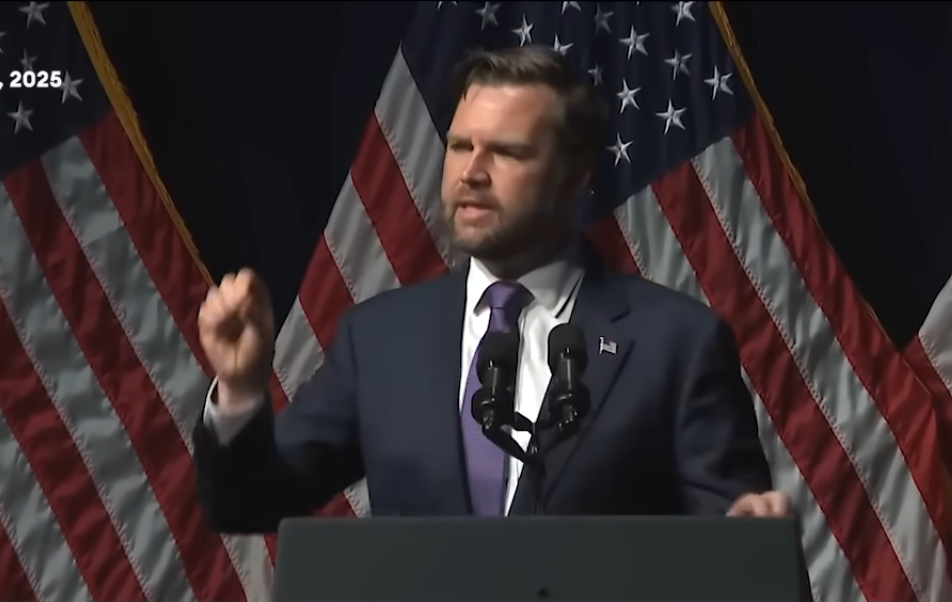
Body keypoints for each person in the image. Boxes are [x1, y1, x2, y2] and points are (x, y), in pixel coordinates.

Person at [193, 46, 788, 532]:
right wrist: (240, 389)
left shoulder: (677, 344)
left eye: (506, 152)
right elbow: (247, 504)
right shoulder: (378, 341)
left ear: (575, 176)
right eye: (460, 146)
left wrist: (746, 535)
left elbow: (733, 539)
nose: (471, 172)